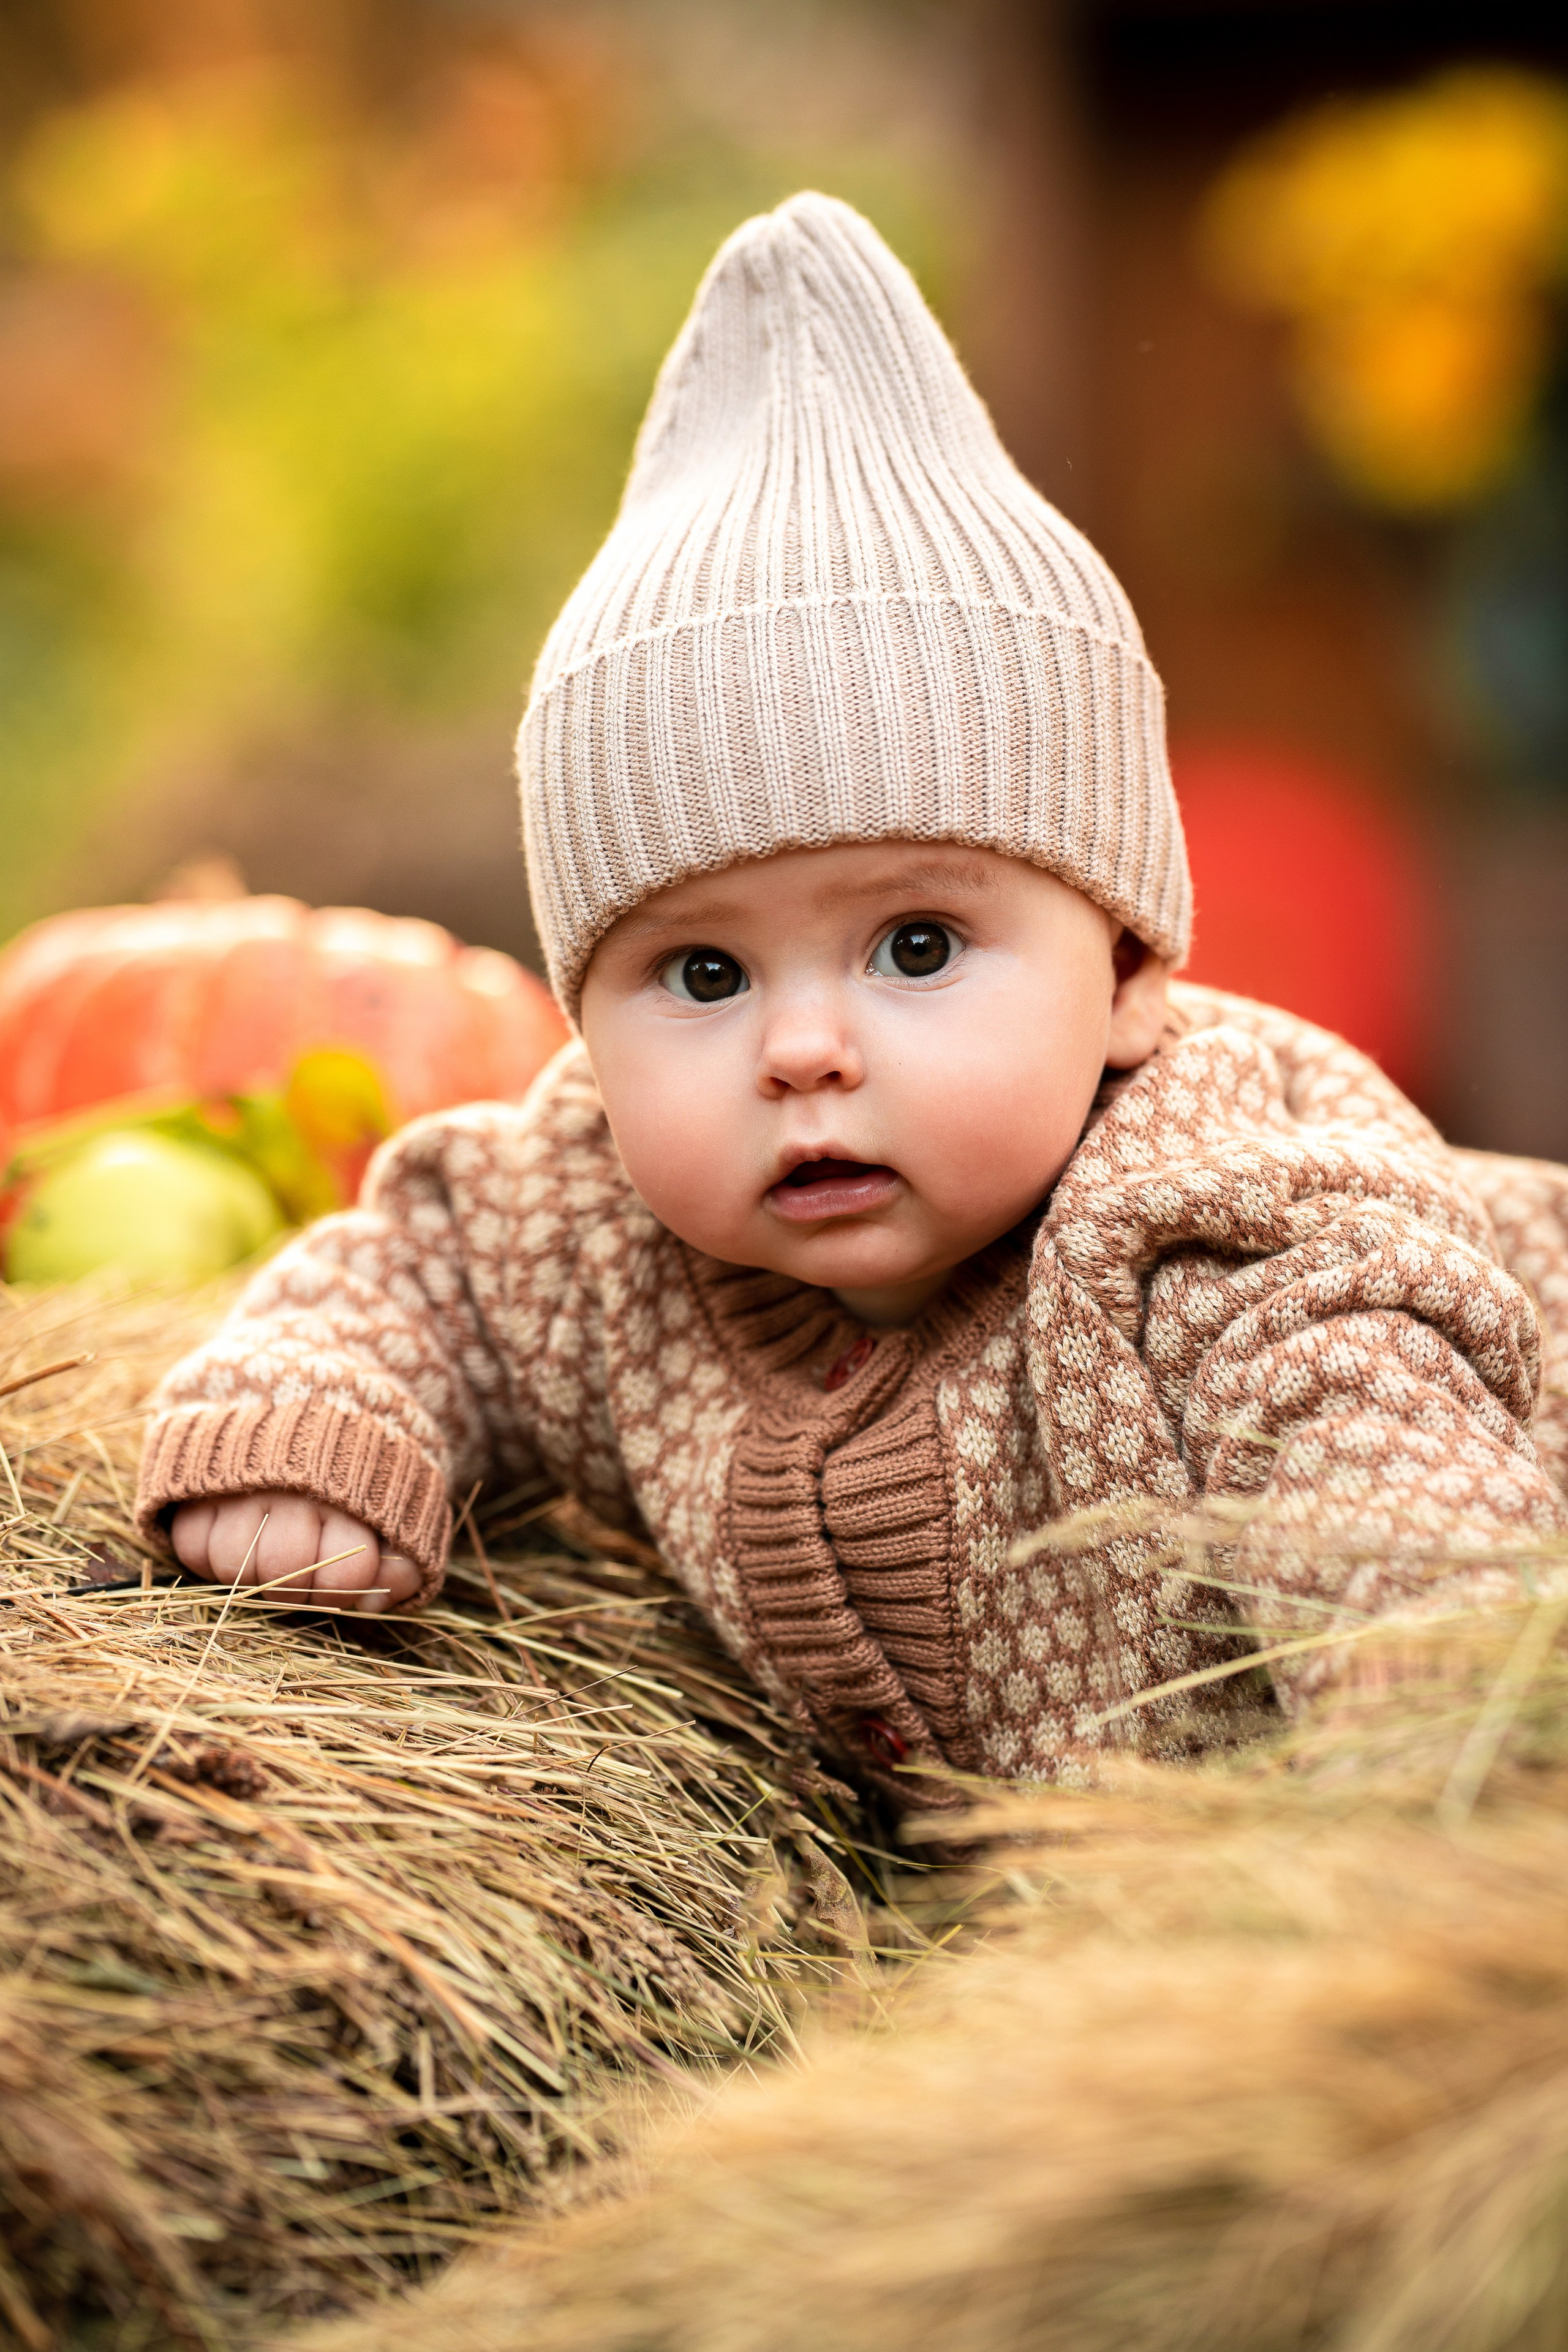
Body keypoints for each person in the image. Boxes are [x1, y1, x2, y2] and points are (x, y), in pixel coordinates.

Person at [136, 194, 1568, 1805]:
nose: (805, 1049)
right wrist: (310, 1433)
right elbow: (417, 1274)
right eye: (702, 974)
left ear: (1130, 974)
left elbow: (1407, 1536)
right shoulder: (583, 1224)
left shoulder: (1227, 1230)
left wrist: (1438, 1754)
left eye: (915, 949)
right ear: (583, 1024)